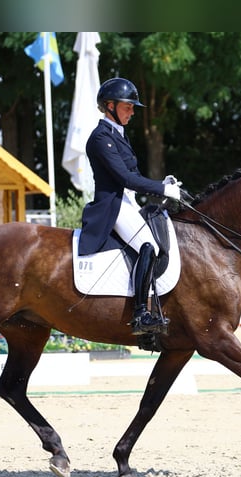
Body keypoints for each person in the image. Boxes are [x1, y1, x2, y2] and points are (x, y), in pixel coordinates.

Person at [78, 77, 182, 336]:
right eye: (128, 106)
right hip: (112, 205)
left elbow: (133, 175)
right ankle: (140, 315)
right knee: (150, 245)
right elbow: (125, 179)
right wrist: (163, 189)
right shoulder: (101, 138)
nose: (133, 112)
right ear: (110, 105)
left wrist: (161, 183)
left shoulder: (118, 135)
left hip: (128, 202)